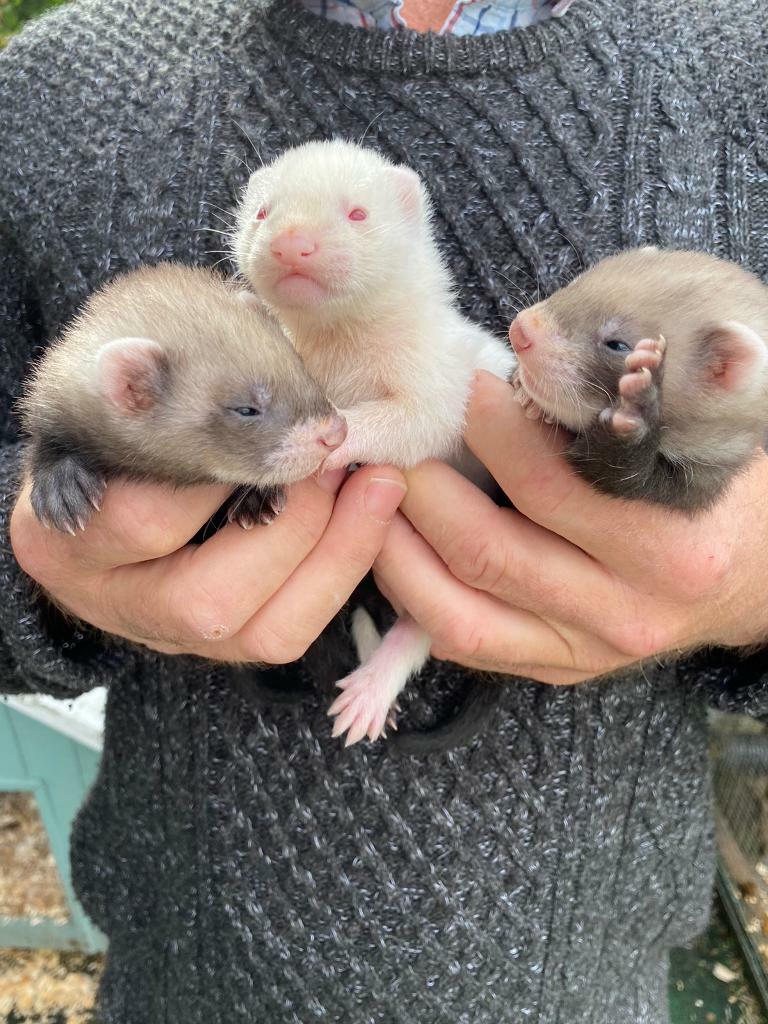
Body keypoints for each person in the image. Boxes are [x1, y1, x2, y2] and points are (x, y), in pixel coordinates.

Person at [1, 0, 767, 1020]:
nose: (297, 241)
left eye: (350, 220)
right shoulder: (56, 85)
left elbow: (420, 412)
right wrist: (39, 567)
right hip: (180, 978)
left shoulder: (745, 64)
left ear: (409, 217)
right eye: (267, 216)